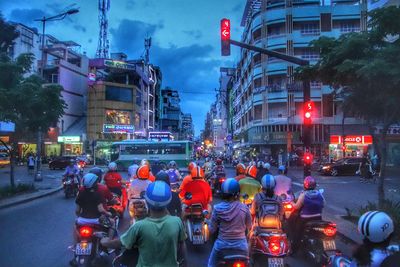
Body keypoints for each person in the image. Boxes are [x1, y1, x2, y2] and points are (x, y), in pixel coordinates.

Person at [100, 181, 186, 267]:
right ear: (168, 201)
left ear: (147, 201)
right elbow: (182, 246)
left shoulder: (139, 226)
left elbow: (121, 243)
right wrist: (184, 263)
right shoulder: (177, 222)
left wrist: (106, 242)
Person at [208, 178, 252, 267]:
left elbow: (212, 230)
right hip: (242, 247)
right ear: (237, 193)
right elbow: (249, 226)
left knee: (210, 264)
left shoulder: (217, 208)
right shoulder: (244, 208)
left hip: (221, 246)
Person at [291, 176, 325, 252]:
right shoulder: (320, 194)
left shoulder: (303, 195)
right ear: (315, 185)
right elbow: (323, 205)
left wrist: (292, 202)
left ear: (305, 185)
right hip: (318, 218)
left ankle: (294, 250)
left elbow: (297, 207)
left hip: (305, 219)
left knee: (297, 233)